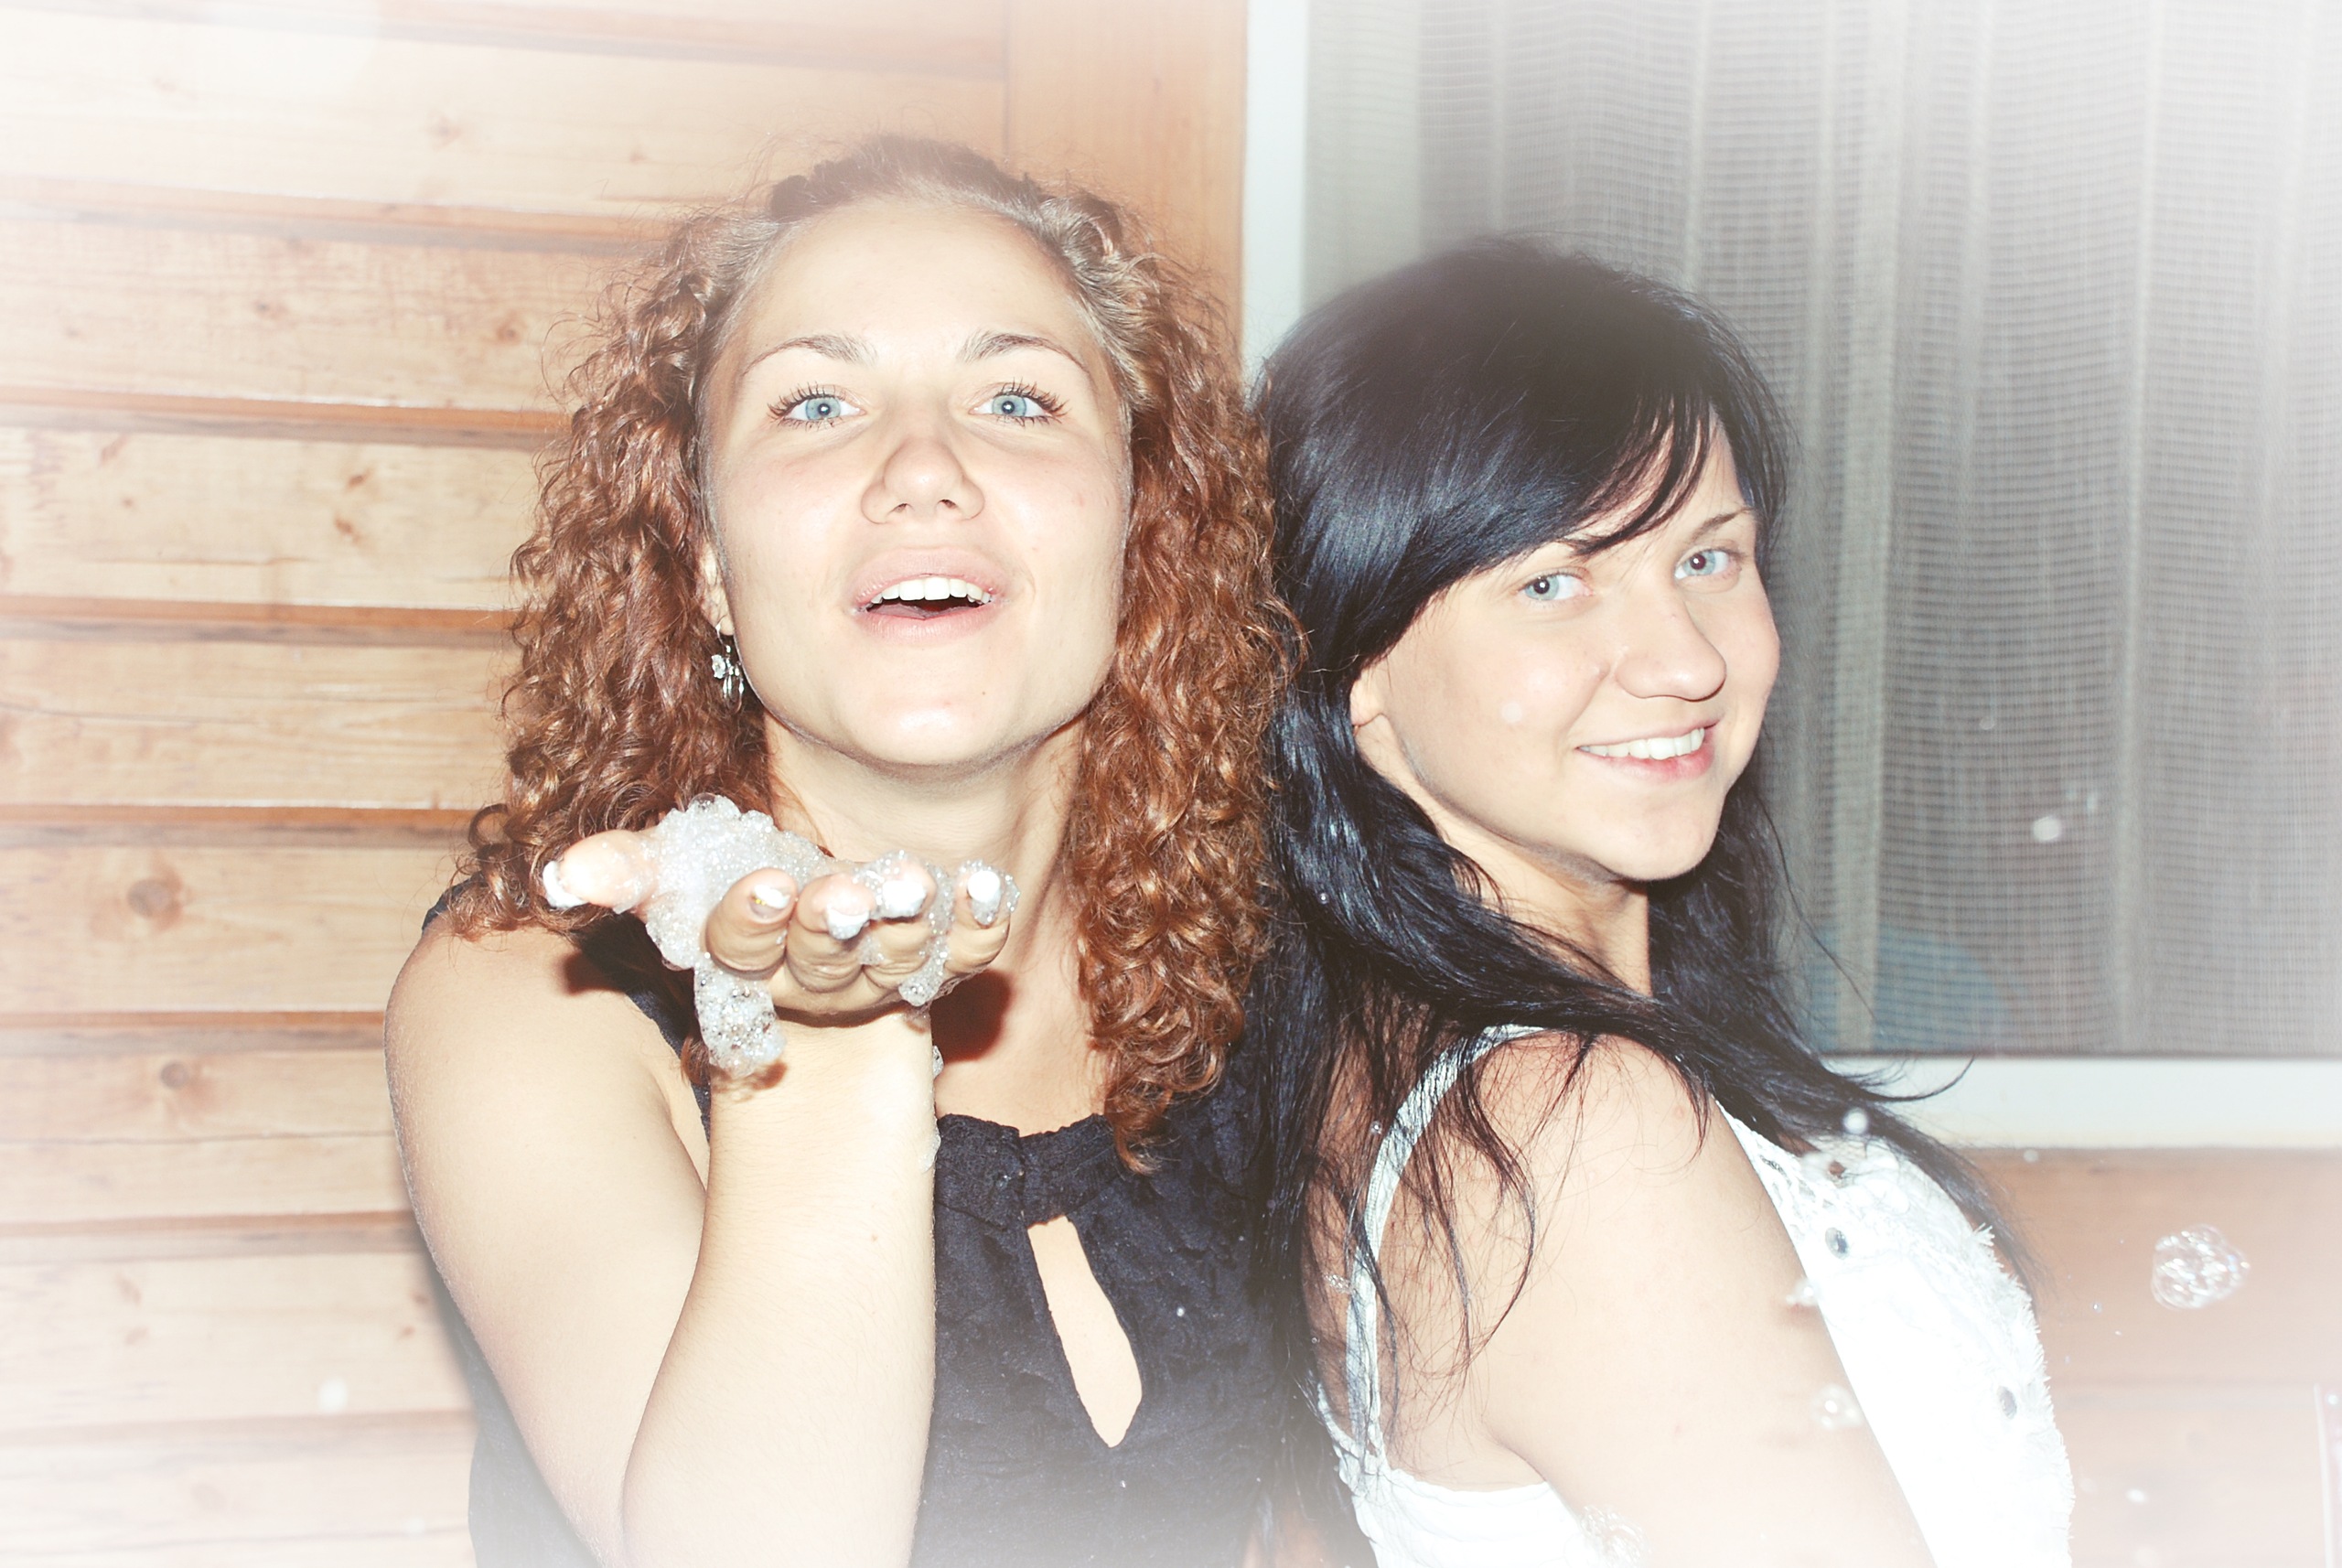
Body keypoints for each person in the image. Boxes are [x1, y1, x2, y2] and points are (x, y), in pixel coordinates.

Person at [385, 137, 1290, 1568]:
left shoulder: (1264, 966)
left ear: (1140, 524)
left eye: (1016, 399)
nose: (923, 468)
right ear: (705, 558)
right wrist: (830, 1051)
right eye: (816, 403)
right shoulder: (526, 996)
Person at [1252, 242, 2073, 1568]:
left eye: (1709, 558)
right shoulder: (1573, 1122)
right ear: (1358, 671)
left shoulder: (1428, 1051)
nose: (1687, 660)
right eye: (1554, 583)